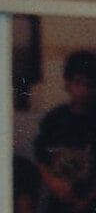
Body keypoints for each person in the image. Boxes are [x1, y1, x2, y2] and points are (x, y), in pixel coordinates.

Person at [35, 50, 96, 213]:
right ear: (68, 82)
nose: (83, 90)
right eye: (78, 83)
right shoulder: (54, 118)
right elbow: (40, 156)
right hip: (57, 200)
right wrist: (53, 183)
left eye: (90, 85)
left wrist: (86, 200)